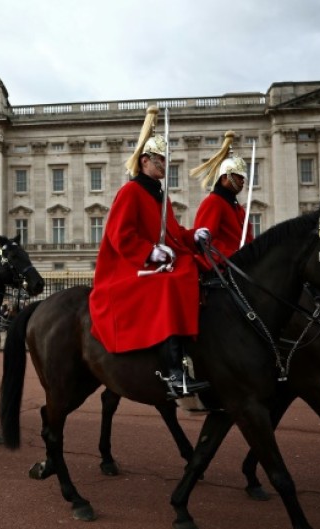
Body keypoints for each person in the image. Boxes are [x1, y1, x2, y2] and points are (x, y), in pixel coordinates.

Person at [88, 105, 210, 398]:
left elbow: (175, 234)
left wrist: (196, 235)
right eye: (160, 160)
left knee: (196, 270)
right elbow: (120, 236)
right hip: (129, 267)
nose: (164, 165)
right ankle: (173, 372)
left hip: (156, 260)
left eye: (165, 160)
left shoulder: (159, 196)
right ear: (144, 161)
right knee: (170, 282)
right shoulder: (130, 192)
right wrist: (150, 252)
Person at [191, 131, 253, 270]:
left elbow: (248, 239)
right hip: (225, 267)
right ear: (225, 178)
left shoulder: (238, 208)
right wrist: (233, 257)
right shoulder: (213, 202)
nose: (242, 181)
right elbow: (206, 242)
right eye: (238, 177)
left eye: (243, 178)